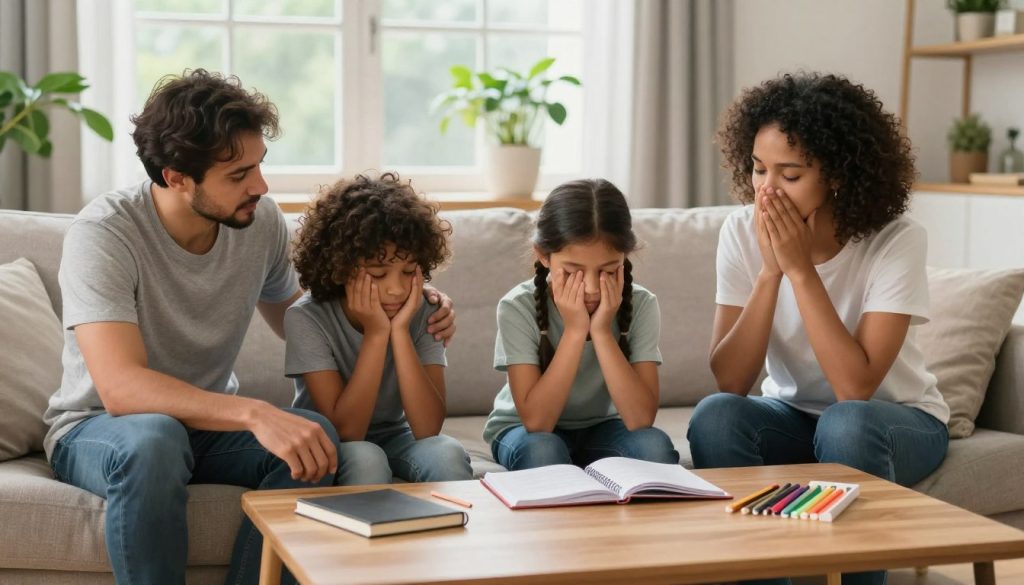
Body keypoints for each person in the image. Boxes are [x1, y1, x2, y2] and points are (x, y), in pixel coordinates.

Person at [42, 70, 457, 585]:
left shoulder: (257, 223)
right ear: (176, 177)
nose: (259, 186)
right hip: (99, 428)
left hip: (204, 429)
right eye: (237, 175)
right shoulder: (105, 234)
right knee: (155, 436)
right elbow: (121, 389)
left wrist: (410, 305)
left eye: (259, 166)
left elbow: (307, 317)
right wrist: (255, 412)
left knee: (315, 438)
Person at [687, 72, 949, 585]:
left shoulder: (895, 240)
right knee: (716, 416)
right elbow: (731, 381)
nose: (766, 189)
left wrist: (801, 270)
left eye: (790, 174)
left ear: (836, 175)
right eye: (759, 169)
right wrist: (770, 272)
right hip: (792, 416)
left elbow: (856, 388)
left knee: (846, 422)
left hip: (895, 419)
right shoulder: (740, 231)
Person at [284, 172, 473, 483]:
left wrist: (399, 332)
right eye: (378, 273)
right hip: (333, 440)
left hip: (397, 435)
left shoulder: (425, 310)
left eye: (409, 271)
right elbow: (347, 431)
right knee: (365, 457)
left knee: (445, 452)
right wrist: (376, 333)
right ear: (340, 266)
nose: (397, 290)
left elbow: (427, 429)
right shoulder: (306, 318)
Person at [483, 178, 679, 471]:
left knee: (654, 448)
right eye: (573, 271)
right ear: (543, 256)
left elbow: (640, 420)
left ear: (624, 257)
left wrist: (600, 331)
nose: (590, 288)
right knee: (542, 452)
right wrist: (575, 331)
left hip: (604, 427)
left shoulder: (642, 304)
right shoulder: (517, 307)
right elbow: (537, 422)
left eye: (608, 270)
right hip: (527, 432)